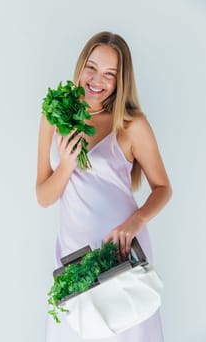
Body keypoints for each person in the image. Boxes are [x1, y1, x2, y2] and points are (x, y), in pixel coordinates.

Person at [36, 31, 172, 342]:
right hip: (74, 253)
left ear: (120, 79)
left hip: (121, 251)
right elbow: (43, 196)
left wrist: (135, 221)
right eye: (92, 68)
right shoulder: (54, 115)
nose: (98, 80)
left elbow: (163, 187)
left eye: (110, 74)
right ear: (81, 65)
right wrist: (67, 165)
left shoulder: (131, 124)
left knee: (129, 331)